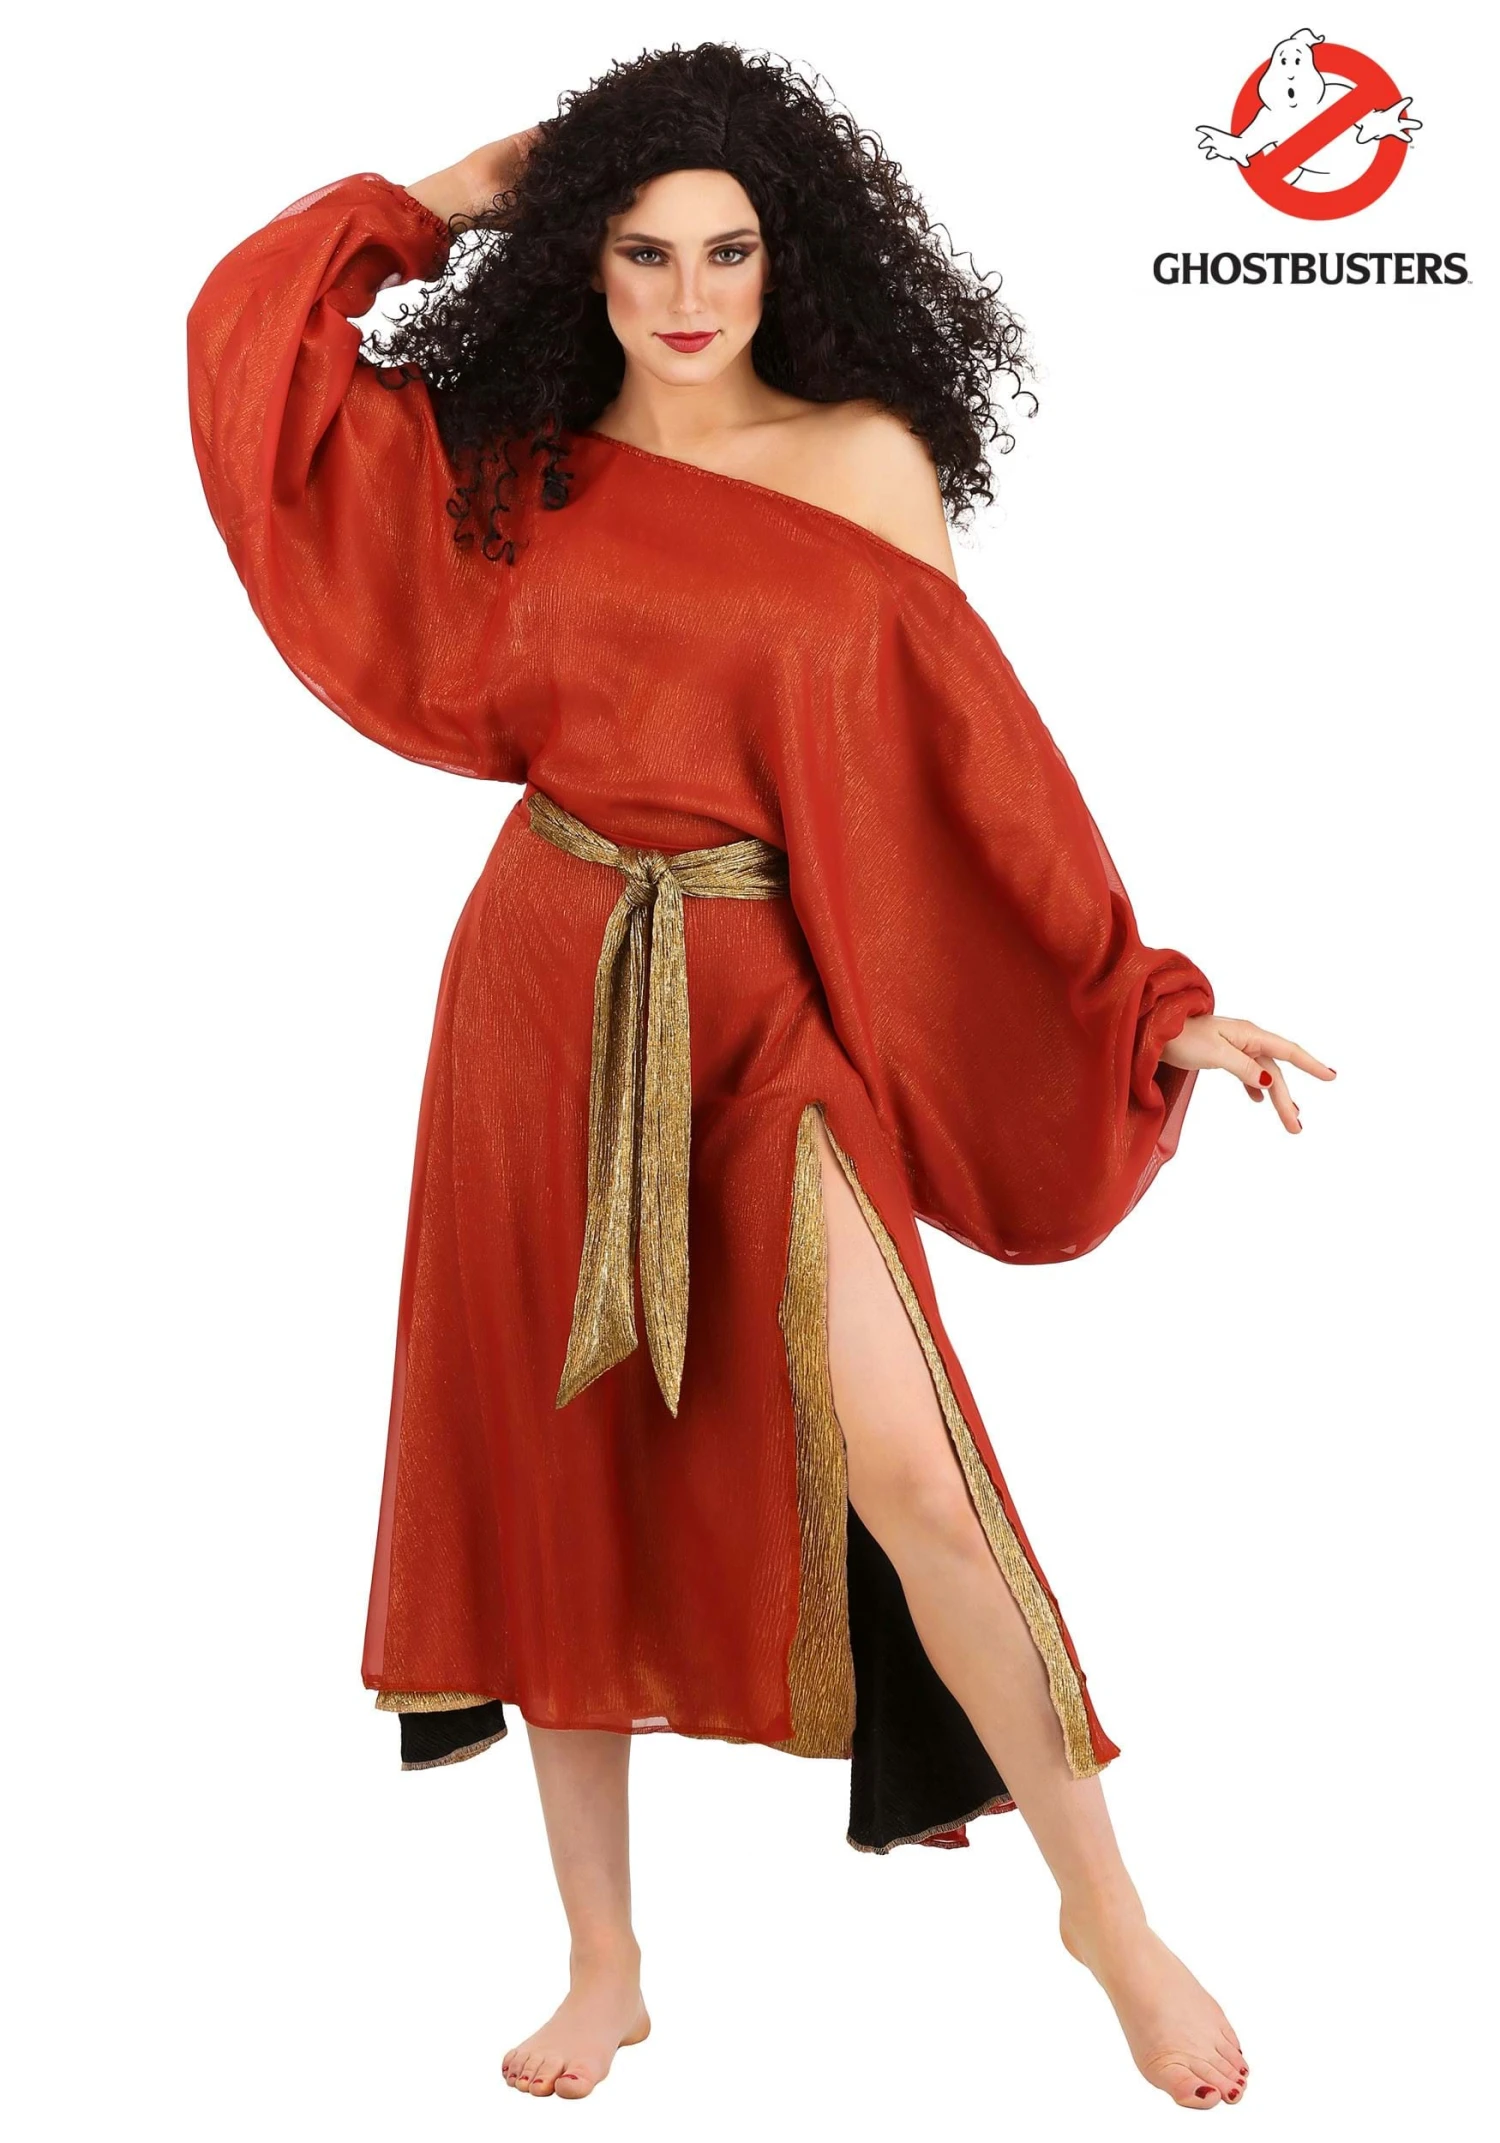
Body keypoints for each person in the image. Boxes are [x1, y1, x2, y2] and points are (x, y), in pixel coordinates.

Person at [186, 40, 1333, 2111]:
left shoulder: (862, 459)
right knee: (553, 1467)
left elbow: (972, 776)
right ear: (582, 256)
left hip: (767, 999)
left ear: (787, 255)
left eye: (726, 250)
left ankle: (1106, 1911)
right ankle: (605, 1961)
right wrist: (443, 194)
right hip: (541, 986)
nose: (688, 294)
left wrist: (1139, 999)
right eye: (641, 250)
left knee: (915, 1467)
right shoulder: (513, 466)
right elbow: (249, 340)